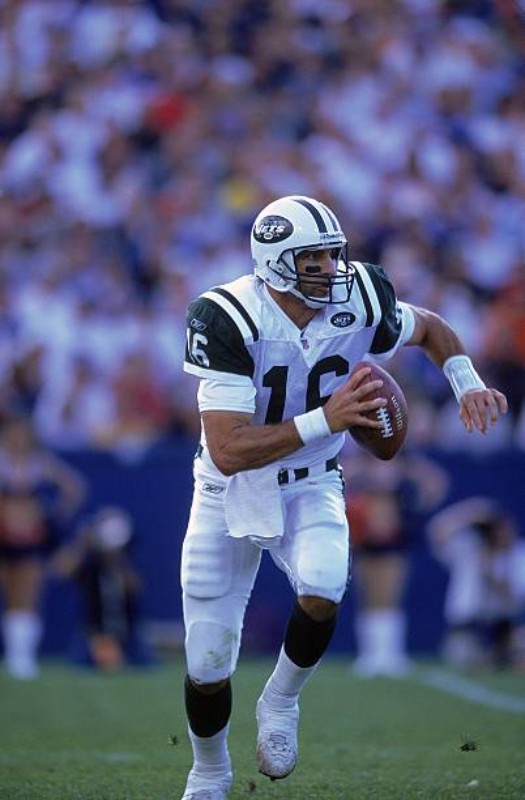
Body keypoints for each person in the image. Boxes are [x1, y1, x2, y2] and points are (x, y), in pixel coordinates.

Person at [180, 195, 508, 800]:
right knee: (206, 662)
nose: (331, 269)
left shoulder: (361, 294)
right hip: (229, 489)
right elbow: (227, 449)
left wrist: (466, 381)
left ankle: (281, 700)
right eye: (314, 259)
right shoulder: (227, 315)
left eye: (334, 254)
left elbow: (431, 328)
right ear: (276, 262)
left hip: (311, 479)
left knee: (325, 584)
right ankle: (208, 771)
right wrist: (326, 419)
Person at [342, 448, 449, 677]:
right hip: (364, 543)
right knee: (368, 599)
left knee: (390, 598)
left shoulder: (403, 464)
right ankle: (369, 655)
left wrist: (412, 470)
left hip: (394, 544)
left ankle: (392, 654)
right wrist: (360, 468)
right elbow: (339, 479)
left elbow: (436, 485)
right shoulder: (359, 466)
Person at [0, 416, 87, 679]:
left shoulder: (38, 463)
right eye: (14, 433)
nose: (19, 439)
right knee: (9, 592)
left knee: (27, 594)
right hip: (4, 534)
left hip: (29, 538)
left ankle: (22, 658)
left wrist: (51, 516)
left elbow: (74, 487)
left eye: (23, 433)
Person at [52, 505, 154, 672]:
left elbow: (136, 587)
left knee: (147, 663)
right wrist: (81, 543)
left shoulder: (129, 561)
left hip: (128, 635)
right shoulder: (89, 564)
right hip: (93, 634)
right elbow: (61, 570)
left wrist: (117, 561)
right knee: (80, 663)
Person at [427, 497, 525, 669]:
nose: (501, 535)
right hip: (467, 626)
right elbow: (437, 531)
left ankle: (504, 655)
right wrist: (472, 512)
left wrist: (489, 573)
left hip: (503, 626)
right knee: (467, 661)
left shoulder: (519, 554)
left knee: (517, 650)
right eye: (495, 530)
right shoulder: (468, 549)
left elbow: (514, 597)